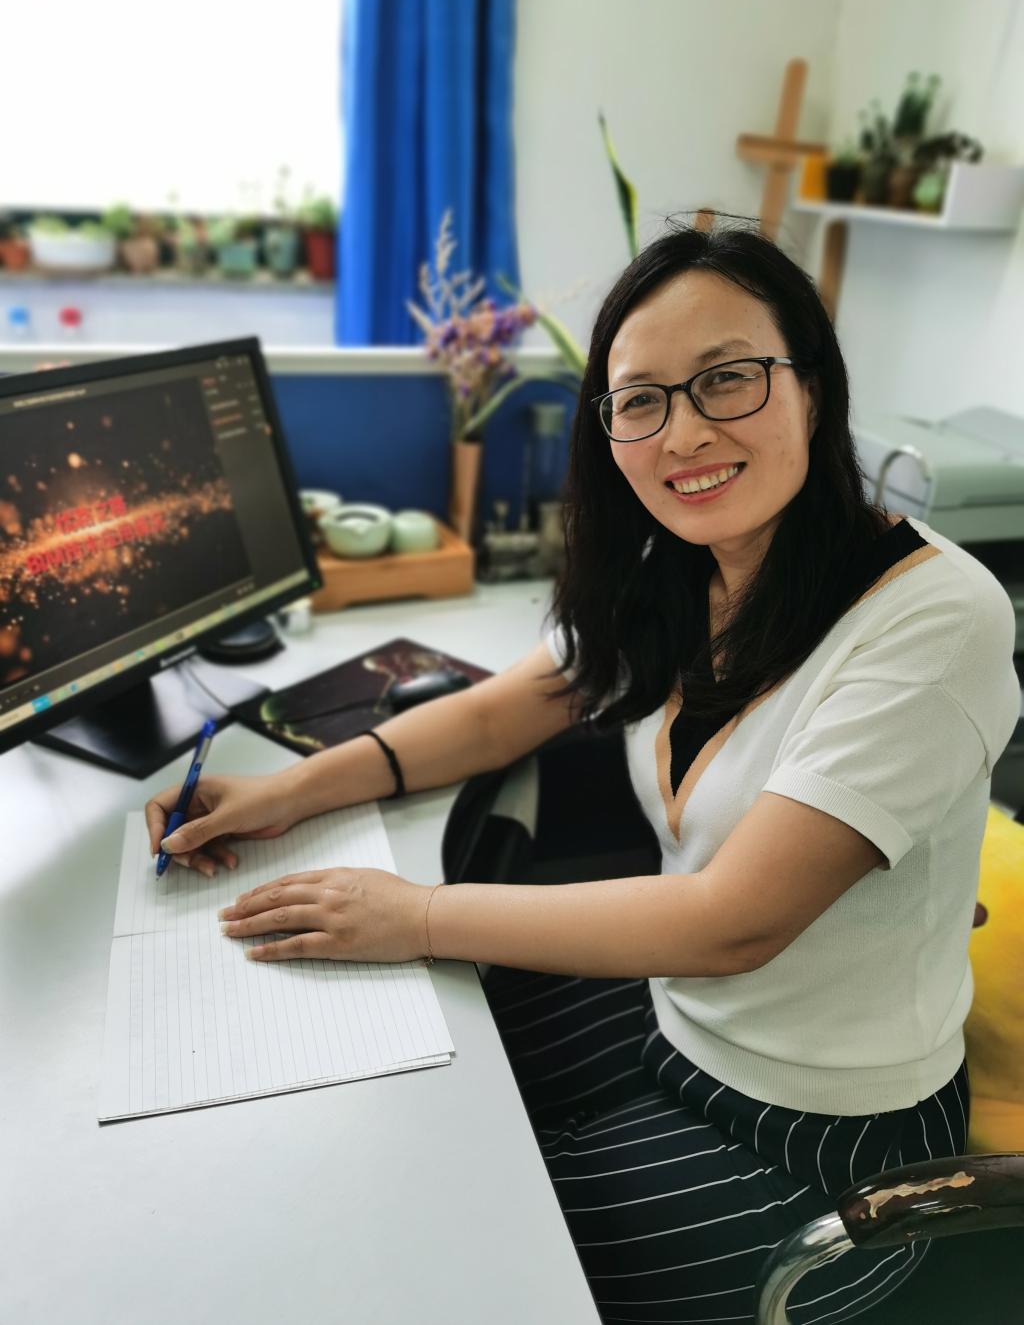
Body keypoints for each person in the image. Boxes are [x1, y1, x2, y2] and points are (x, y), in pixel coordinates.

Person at [145, 223, 1019, 1325]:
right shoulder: (682, 564)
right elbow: (503, 709)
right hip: (678, 1015)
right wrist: (287, 790)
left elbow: (733, 922)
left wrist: (417, 913)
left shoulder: (936, 616)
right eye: (640, 399)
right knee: (414, 1103)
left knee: (456, 1255)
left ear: (812, 384)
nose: (683, 431)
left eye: (727, 378)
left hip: (826, 1135)